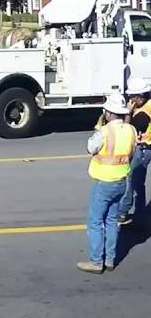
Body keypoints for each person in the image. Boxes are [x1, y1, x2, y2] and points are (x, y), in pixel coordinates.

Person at [78, 93, 137, 274]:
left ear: (109, 113)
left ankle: (96, 261)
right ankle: (110, 260)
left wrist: (99, 128)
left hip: (104, 182)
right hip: (121, 181)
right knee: (111, 221)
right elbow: (132, 153)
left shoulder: (104, 132)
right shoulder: (131, 130)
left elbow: (90, 147)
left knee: (95, 222)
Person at [118, 77, 151, 226]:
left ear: (141, 96)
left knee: (132, 182)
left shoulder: (145, 112)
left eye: (133, 97)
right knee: (138, 183)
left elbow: (127, 128)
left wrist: (128, 113)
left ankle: (123, 213)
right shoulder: (146, 105)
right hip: (143, 149)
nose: (130, 99)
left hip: (143, 149)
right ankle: (139, 215)